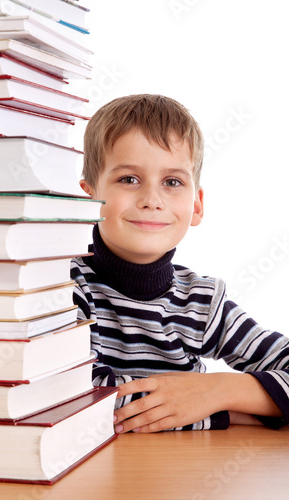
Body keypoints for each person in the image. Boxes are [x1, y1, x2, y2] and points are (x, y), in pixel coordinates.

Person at [71, 94, 289, 433]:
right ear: (89, 197)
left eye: (172, 182)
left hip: (187, 477)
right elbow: (78, 399)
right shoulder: (63, 286)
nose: (151, 200)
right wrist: (226, 414)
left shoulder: (202, 301)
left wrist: (218, 390)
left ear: (197, 205)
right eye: (129, 179)